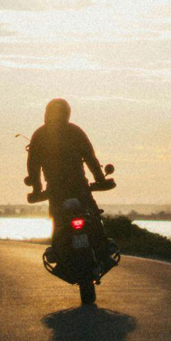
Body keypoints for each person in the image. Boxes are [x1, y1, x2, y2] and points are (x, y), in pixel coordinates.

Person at [25, 98, 110, 254]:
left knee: (60, 220)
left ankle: (59, 252)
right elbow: (91, 158)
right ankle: (102, 248)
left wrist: (37, 189)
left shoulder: (40, 134)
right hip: (79, 187)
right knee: (92, 216)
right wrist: (100, 179)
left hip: (57, 190)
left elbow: (33, 165)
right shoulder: (75, 131)